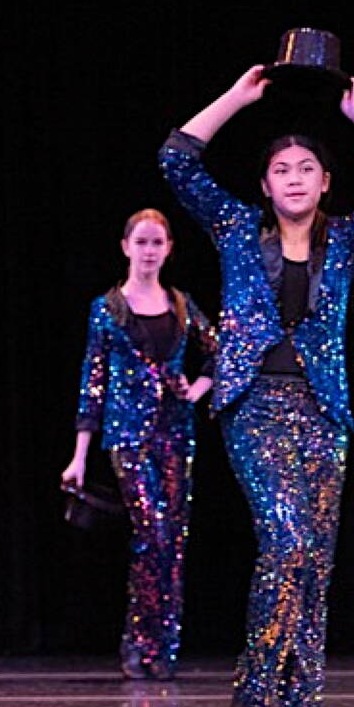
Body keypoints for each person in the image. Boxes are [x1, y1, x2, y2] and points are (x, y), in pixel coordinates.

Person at [160, 66, 354, 707]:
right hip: (254, 406)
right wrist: (237, 98)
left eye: (308, 168)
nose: (296, 178)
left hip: (323, 411)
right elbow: (176, 160)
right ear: (266, 183)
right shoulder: (236, 229)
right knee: (287, 541)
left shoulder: (347, 241)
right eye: (283, 169)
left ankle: (303, 703)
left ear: (326, 182)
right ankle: (251, 692)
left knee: (315, 560)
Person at [61, 210, 217, 680]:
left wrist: (198, 386)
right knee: (151, 533)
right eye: (142, 242)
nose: (149, 251)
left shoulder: (182, 304)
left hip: (176, 432)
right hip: (127, 436)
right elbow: (93, 382)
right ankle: (139, 644)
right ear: (126, 246)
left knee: (172, 539)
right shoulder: (107, 309)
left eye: (157, 243)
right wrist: (80, 455)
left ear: (168, 249)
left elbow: (219, 351)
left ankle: (162, 648)